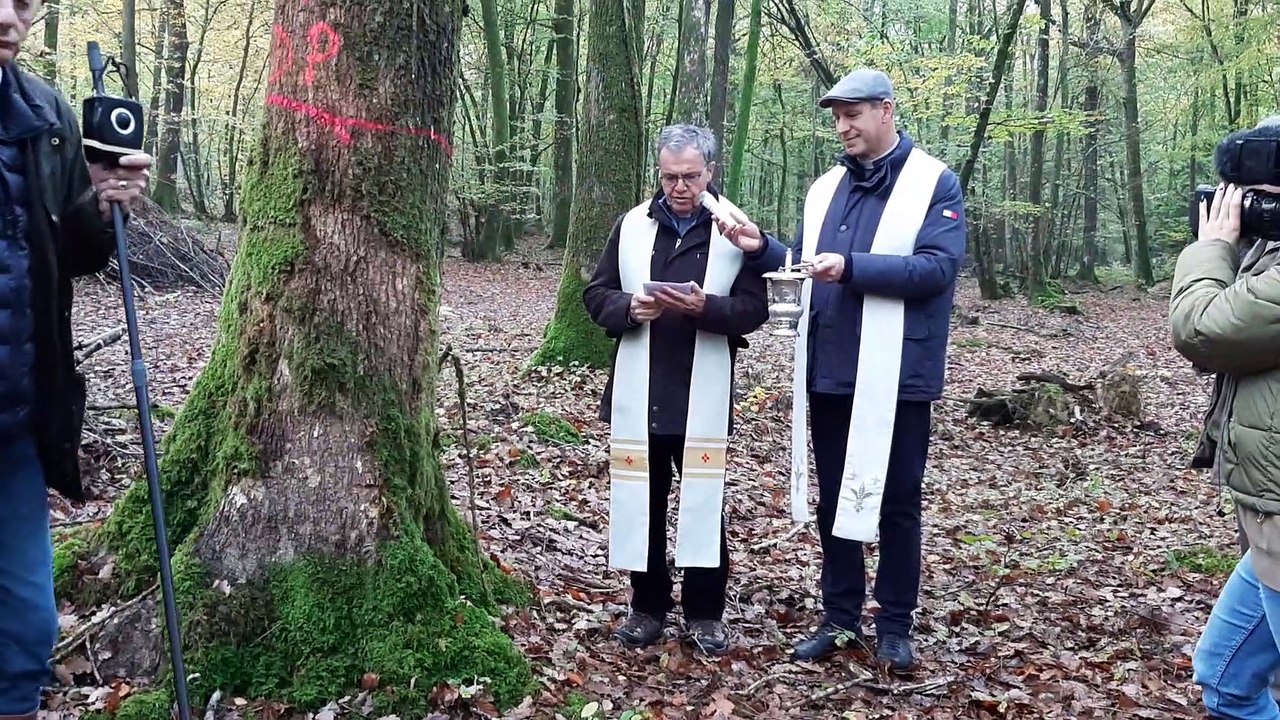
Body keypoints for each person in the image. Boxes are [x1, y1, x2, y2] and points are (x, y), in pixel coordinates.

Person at [717, 68, 966, 670]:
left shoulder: (933, 182)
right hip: (830, 365)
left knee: (898, 500)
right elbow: (808, 264)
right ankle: (840, 617)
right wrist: (762, 247)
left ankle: (895, 624)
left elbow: (937, 269)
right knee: (835, 497)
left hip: (899, 371)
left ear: (886, 110)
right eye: (836, 117)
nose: (843, 127)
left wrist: (850, 267)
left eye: (852, 115)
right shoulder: (825, 187)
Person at [0, 2, 153, 717]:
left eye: (25, 1)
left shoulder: (45, 112)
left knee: (28, 629)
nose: (10, 16)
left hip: (17, 416)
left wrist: (103, 201)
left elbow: (74, 251)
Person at [583, 123, 769, 656]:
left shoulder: (733, 228)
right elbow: (596, 294)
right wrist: (628, 308)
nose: (680, 187)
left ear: (711, 171)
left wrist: (705, 307)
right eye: (669, 177)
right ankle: (647, 607)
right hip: (641, 390)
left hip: (701, 392)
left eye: (690, 176)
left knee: (705, 503)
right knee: (643, 501)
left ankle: (706, 613)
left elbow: (754, 309)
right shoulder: (633, 225)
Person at [1170, 115, 1280, 719]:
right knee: (1226, 680)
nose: (1243, 210)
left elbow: (1203, 329)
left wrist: (1211, 246)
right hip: (1270, 522)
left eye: (1258, 198)